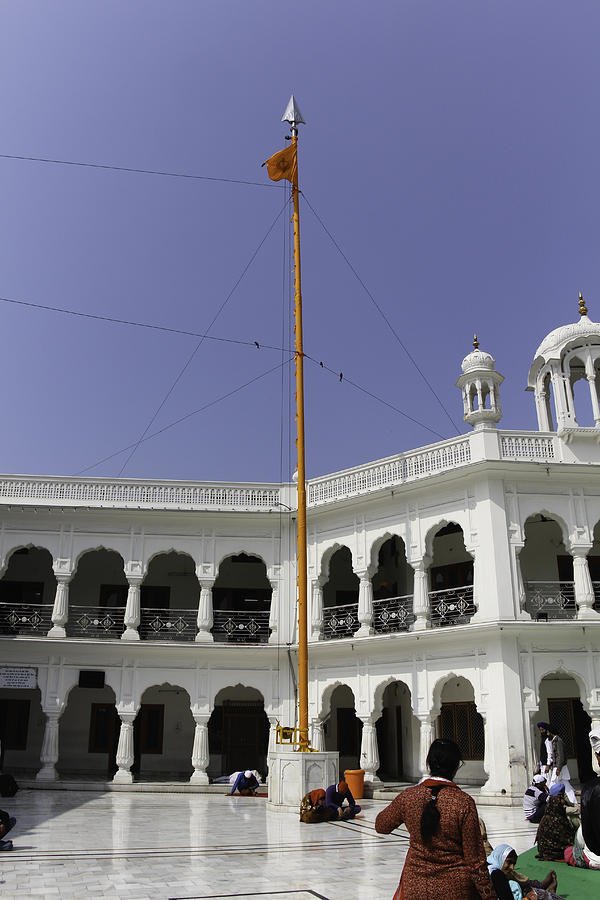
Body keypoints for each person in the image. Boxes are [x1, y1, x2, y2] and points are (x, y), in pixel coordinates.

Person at [375, 738, 494, 899]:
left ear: (429, 763)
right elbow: (476, 861)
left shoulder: (409, 797)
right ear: (456, 767)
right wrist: (490, 895)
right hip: (455, 890)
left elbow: (381, 825)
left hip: (416, 887)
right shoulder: (463, 802)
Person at [564, 722, 600, 869]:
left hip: (596, 854)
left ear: (598, 757)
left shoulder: (590, 789)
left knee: (572, 850)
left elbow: (590, 838)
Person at [487, 845, 562, 900]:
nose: (512, 867)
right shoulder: (496, 875)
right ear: (499, 858)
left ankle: (543, 886)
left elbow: (523, 881)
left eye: (513, 864)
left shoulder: (498, 869)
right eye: (509, 862)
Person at [536, 783, 575, 861]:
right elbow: (568, 840)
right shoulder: (558, 819)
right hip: (556, 853)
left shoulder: (548, 813)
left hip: (544, 851)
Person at [541, 723, 576, 804]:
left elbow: (560, 756)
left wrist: (558, 768)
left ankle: (548, 802)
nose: (547, 734)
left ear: (551, 732)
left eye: (548, 732)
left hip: (559, 767)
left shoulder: (558, 741)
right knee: (566, 786)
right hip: (557, 767)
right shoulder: (554, 741)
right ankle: (573, 802)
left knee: (552, 783)